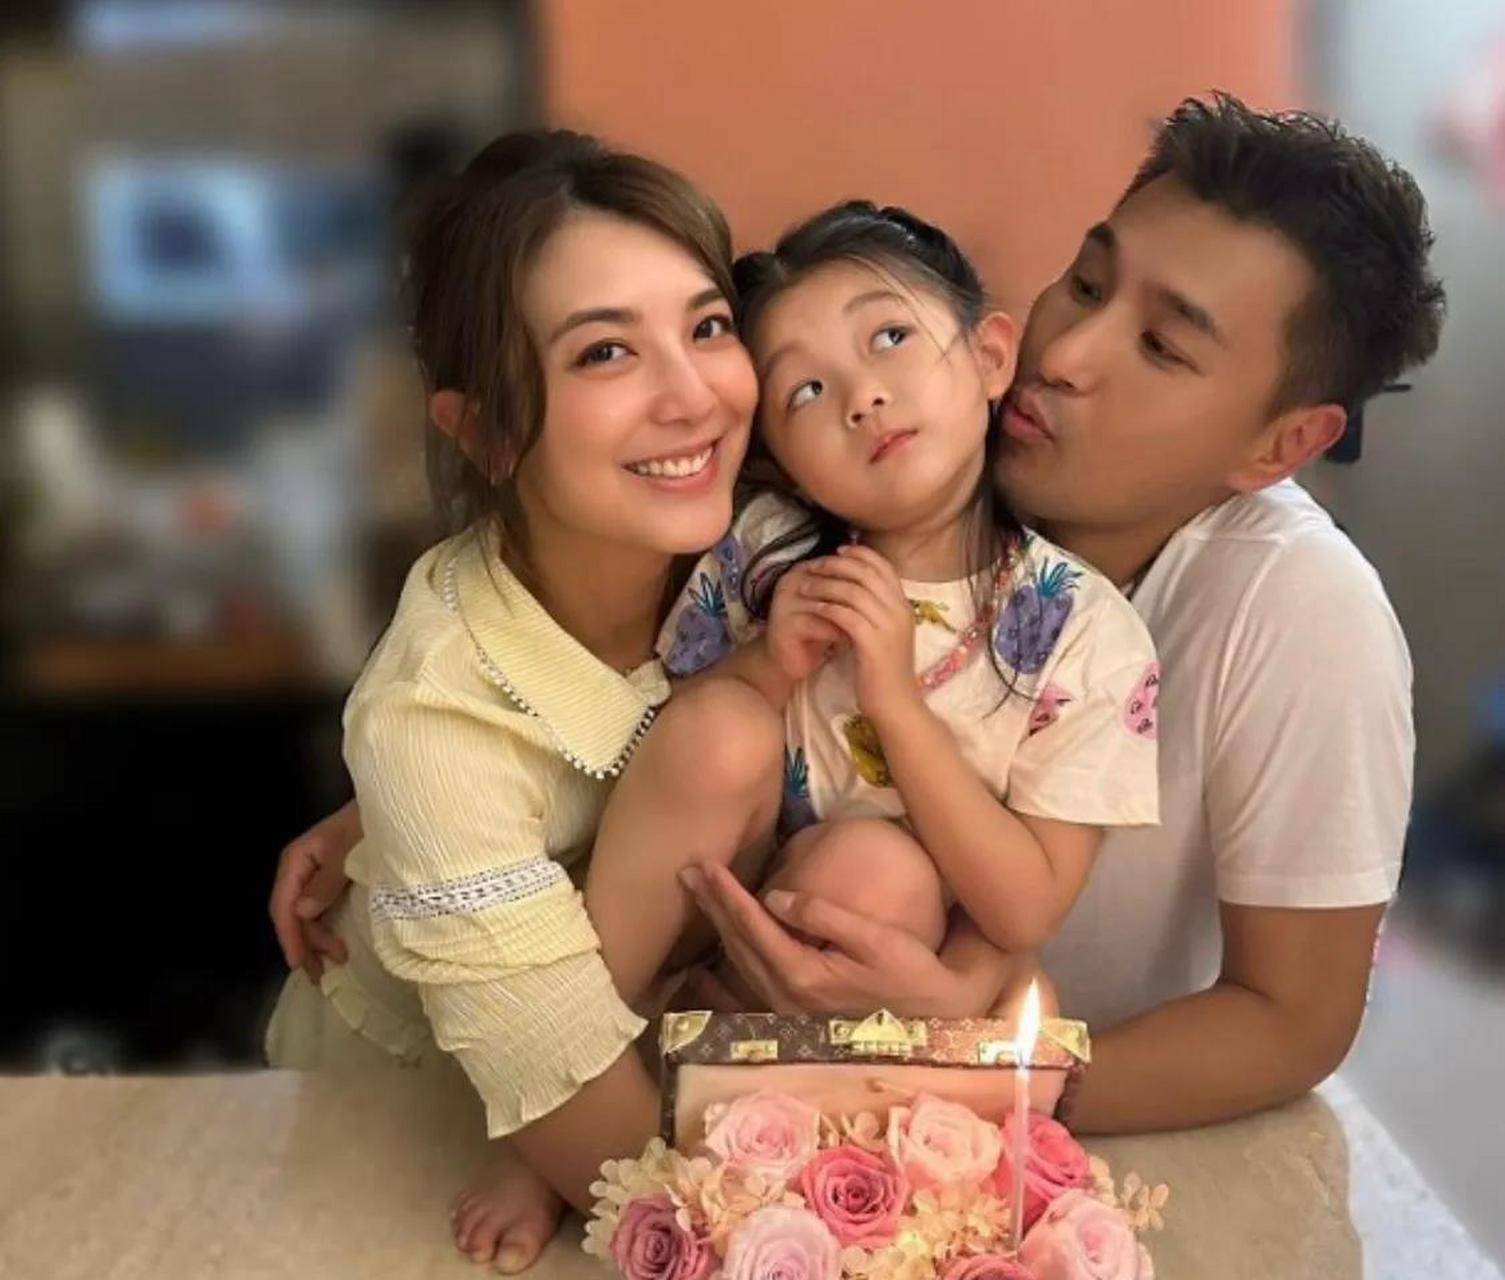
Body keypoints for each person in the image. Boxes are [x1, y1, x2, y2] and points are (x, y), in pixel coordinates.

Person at [675, 93, 1444, 1134]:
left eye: (1161, 347)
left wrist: (966, 1067)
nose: (1066, 354)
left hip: (1021, 1130)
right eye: (1084, 283)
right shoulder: (902, 448)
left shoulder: (1301, 610)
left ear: (1279, 445)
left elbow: (1292, 1021)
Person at [266, 128, 767, 1268]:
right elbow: (621, 1166)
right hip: (411, 1123)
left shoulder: (761, 525)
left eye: (707, 326)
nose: (693, 396)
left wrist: (368, 819)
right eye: (605, 353)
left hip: (656, 1052)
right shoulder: (429, 722)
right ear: (486, 430)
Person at [582, 199, 1158, 1025]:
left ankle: (734, 1081)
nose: (861, 398)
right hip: (709, 914)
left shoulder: (1082, 631)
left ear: (990, 357)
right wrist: (766, 666)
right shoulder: (767, 551)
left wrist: (892, 700)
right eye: (806, 390)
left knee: (874, 871)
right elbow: (650, 760)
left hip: (902, 974)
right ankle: (581, 1033)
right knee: (718, 725)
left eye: (889, 337)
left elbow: (1024, 911)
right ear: (784, 460)